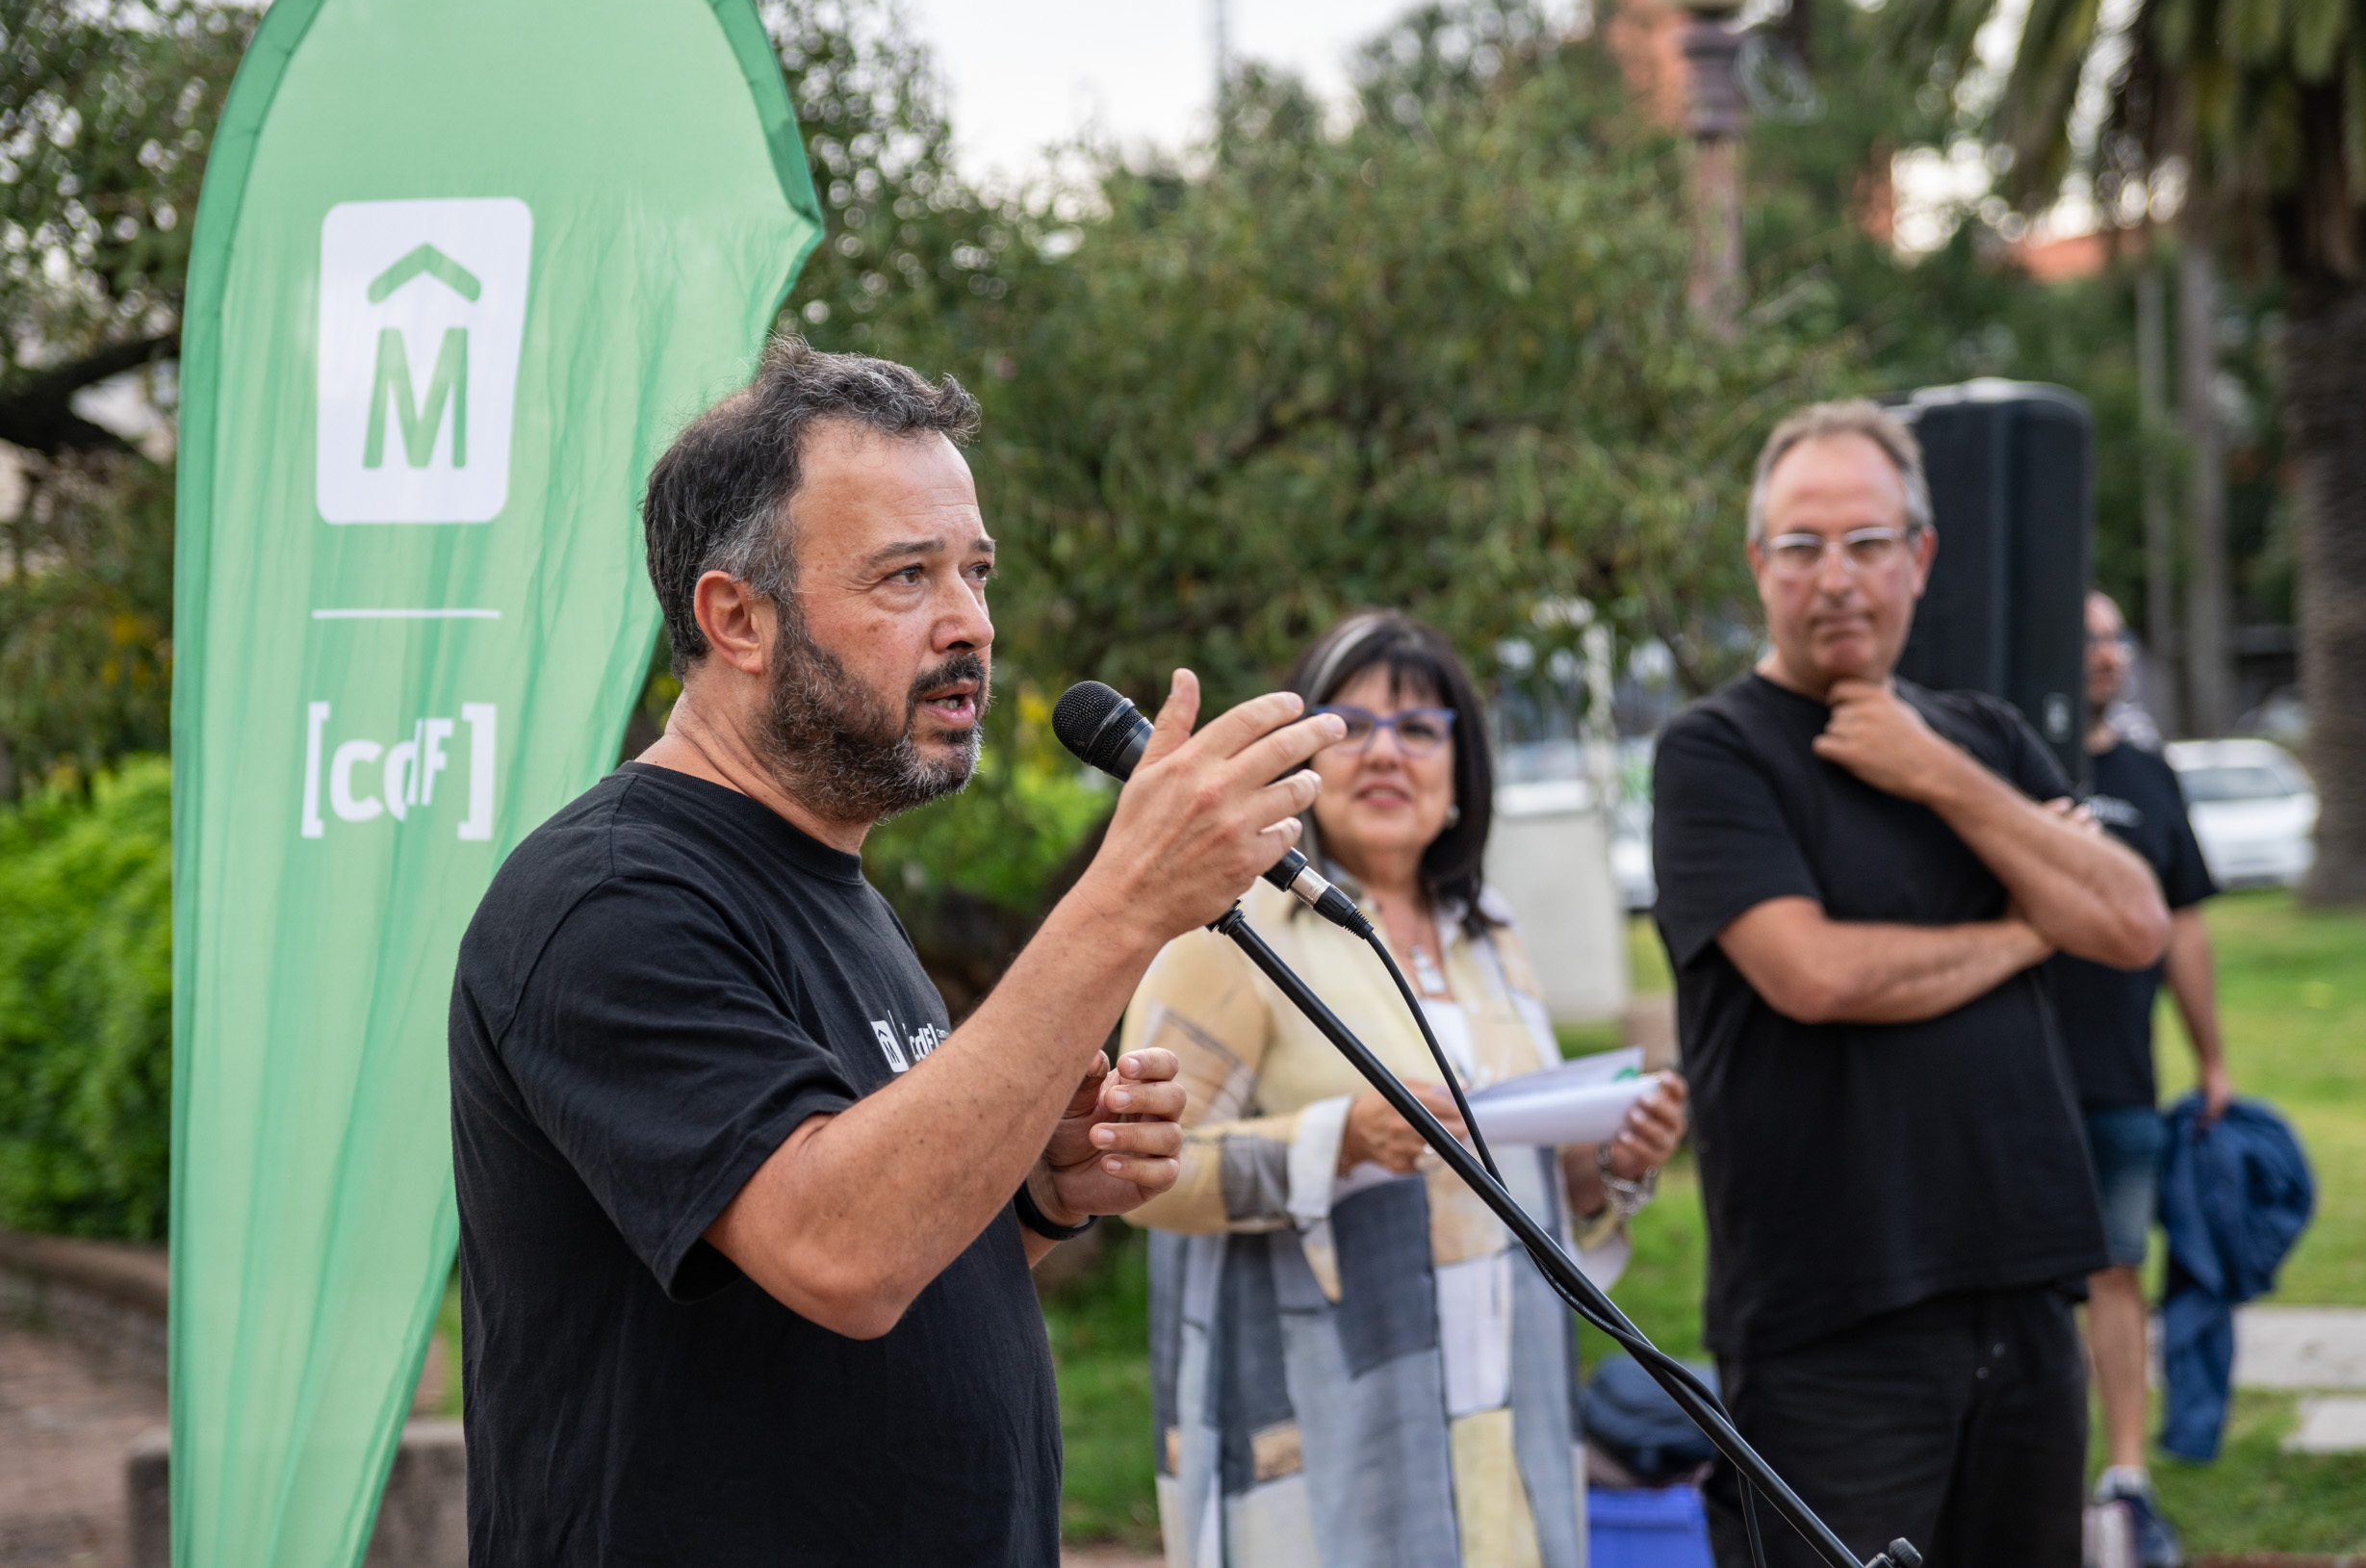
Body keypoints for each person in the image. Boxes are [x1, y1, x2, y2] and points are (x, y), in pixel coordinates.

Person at [448, 342, 1352, 1565]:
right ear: (737, 618)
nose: (970, 624)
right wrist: (1122, 903)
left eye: (976, 572)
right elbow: (842, 1253)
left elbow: (885, 1251)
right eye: (905, 577)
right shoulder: (609, 900)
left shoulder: (833, 888)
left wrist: (1035, 1188)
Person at [1649, 399, 2171, 1568]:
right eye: (1802, 545)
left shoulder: (1980, 737)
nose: (1836, 577)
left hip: (2026, 1293)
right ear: (1758, 564)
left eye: (1867, 542)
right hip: (1833, 1319)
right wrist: (2029, 931)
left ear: (1920, 557)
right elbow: (1813, 974)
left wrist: (1936, 771)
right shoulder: (1714, 752)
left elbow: (2131, 920)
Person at [1120, 610, 1691, 1568]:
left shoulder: (1490, 938)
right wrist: (1337, 1140)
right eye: (1352, 725)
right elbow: (1142, 1172)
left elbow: (1509, 1187)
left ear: (1461, 777)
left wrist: (1605, 1164)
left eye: (1420, 730)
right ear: (1297, 756)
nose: (1387, 753)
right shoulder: (1233, 926)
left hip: (1504, 1418)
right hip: (1329, 1434)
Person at [2055, 589, 2228, 1568]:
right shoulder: (2016, 762)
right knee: (2033, 1287)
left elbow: (2186, 922)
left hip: (2121, 1078)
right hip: (2019, 1087)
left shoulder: (2149, 774)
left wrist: (2208, 1055)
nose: (2106, 656)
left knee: (2118, 1271)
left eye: (2117, 637)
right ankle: (2037, 1482)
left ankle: (2124, 1485)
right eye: (2087, 640)